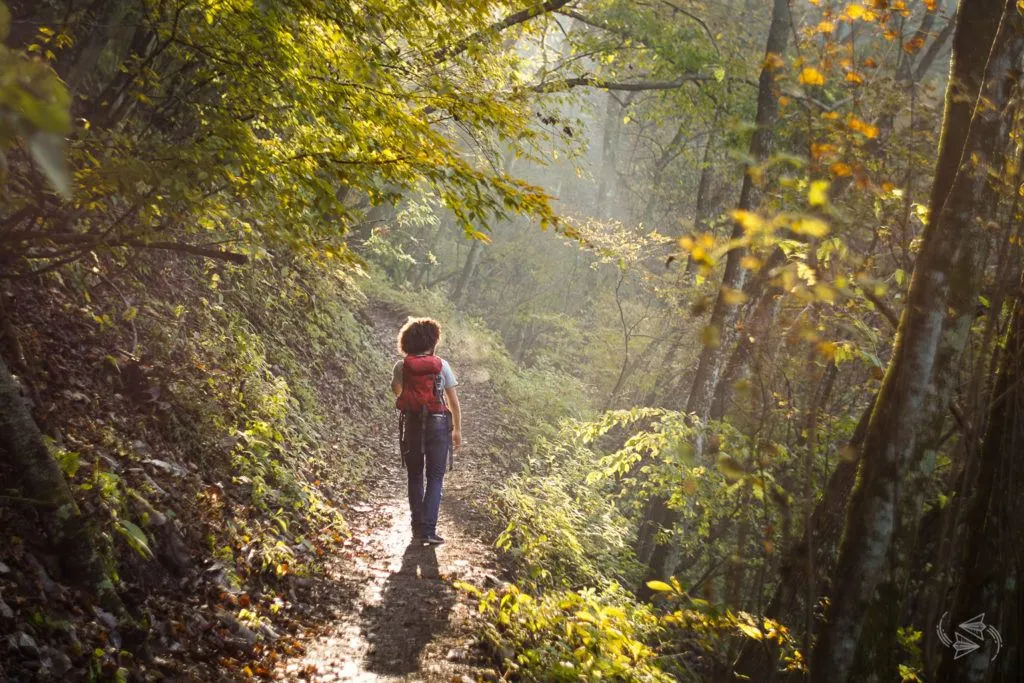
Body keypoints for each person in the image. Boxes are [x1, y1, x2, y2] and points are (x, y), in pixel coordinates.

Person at [391, 317, 462, 545]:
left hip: (412, 422)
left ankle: (416, 526)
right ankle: (429, 531)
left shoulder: (402, 366)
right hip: (439, 423)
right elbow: (453, 400)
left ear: (407, 342)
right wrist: (457, 430)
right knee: (435, 477)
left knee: (414, 475)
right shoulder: (442, 365)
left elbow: (397, 391)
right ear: (432, 342)